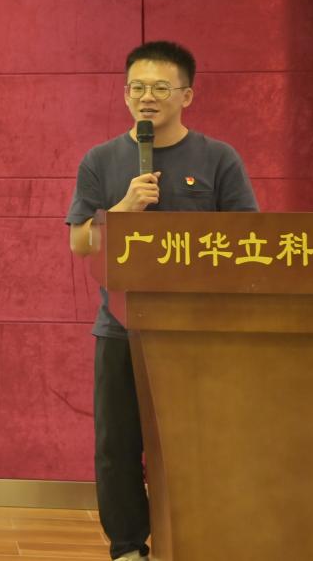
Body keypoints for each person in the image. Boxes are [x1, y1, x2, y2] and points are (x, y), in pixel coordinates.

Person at [66, 41, 257, 561]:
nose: (146, 97)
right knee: (118, 446)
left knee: (195, 443)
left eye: (159, 87)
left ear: (186, 95)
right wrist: (122, 209)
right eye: (136, 87)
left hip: (197, 329)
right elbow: (80, 241)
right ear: (125, 94)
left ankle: (194, 539)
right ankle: (129, 547)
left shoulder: (218, 158)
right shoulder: (100, 160)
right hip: (120, 328)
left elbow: (247, 239)